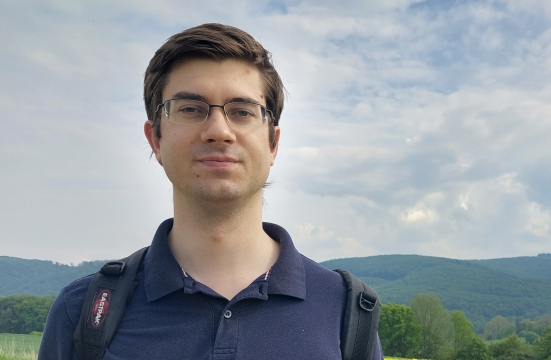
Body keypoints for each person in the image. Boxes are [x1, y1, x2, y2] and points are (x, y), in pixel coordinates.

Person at [39, 23, 382, 359]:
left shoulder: (346, 312)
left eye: (242, 112)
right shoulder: (83, 311)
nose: (219, 131)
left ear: (273, 143)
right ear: (155, 139)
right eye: (191, 109)